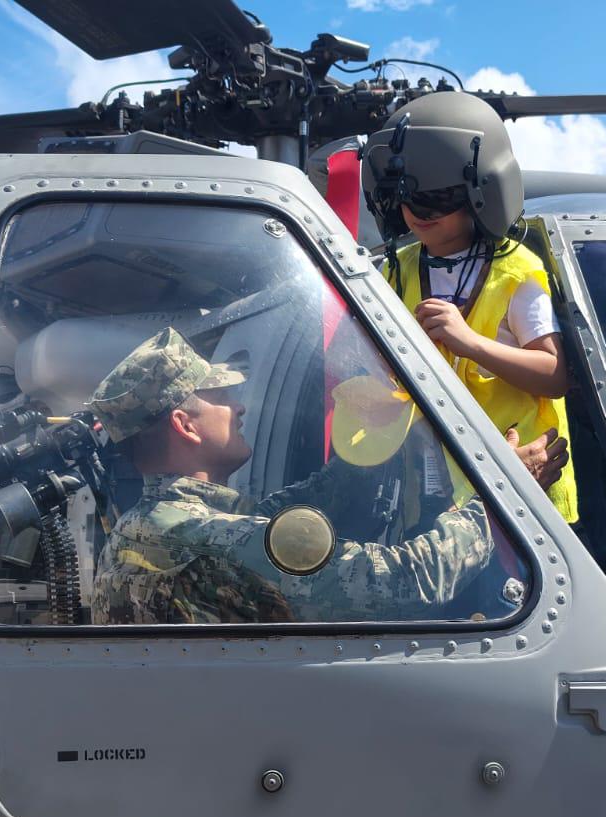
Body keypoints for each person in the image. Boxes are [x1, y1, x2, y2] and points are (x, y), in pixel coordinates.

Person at [87, 328, 566, 625]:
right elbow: (401, 582)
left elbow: (282, 514)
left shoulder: (153, 524)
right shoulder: (197, 535)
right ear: (185, 424)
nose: (239, 405)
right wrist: (506, 495)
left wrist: (369, 449)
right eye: (220, 395)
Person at [361, 91, 579, 524]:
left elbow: (555, 375)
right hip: (434, 495)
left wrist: (469, 343)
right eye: (407, 198)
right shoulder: (396, 272)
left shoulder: (515, 270)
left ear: (481, 193)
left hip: (526, 489)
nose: (419, 212)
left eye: (438, 199)